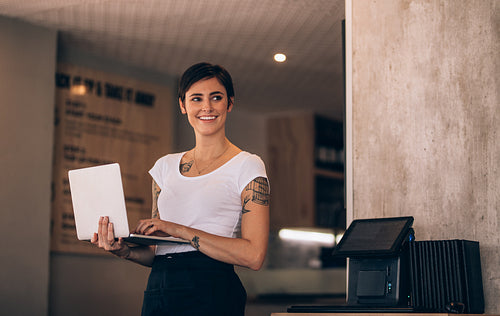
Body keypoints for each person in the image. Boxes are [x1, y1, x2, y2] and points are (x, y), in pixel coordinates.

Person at [91, 62, 270, 316]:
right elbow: (156, 252)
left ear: (229, 103)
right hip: (160, 288)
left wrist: (177, 230)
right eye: (196, 99)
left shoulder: (248, 165)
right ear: (183, 105)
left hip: (213, 290)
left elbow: (254, 255)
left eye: (216, 97)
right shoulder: (164, 167)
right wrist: (124, 250)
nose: (206, 107)